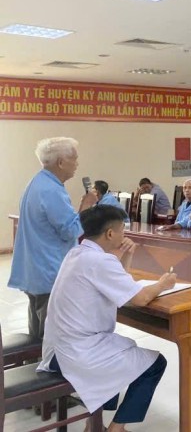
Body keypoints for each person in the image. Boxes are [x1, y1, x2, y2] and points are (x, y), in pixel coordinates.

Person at [37, 205, 176, 432]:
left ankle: (92, 426)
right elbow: (140, 298)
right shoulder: (100, 261)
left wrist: (126, 255)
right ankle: (116, 429)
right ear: (110, 233)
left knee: (118, 353)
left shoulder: (77, 253)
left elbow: (118, 282)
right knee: (155, 364)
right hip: (74, 354)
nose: (124, 234)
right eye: (122, 229)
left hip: (58, 350)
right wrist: (163, 284)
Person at [9, 137, 97, 340]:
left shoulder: (37, 183)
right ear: (61, 162)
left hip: (35, 270)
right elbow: (70, 231)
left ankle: (34, 358)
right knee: (51, 339)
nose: (77, 164)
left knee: (37, 332)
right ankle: (44, 361)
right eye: (74, 158)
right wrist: (86, 206)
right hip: (50, 272)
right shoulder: (51, 190)